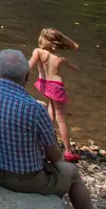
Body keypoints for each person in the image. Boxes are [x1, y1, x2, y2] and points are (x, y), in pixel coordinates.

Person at [0, 49, 97, 209]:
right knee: (72, 172)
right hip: (25, 181)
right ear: (27, 76)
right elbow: (55, 157)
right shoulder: (34, 109)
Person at [29, 28, 80, 161]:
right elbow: (76, 67)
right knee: (61, 119)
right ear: (57, 41)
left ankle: (46, 142)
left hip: (44, 85)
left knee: (51, 111)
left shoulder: (38, 52)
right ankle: (68, 151)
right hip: (56, 87)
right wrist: (68, 43)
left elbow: (29, 65)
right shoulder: (59, 58)